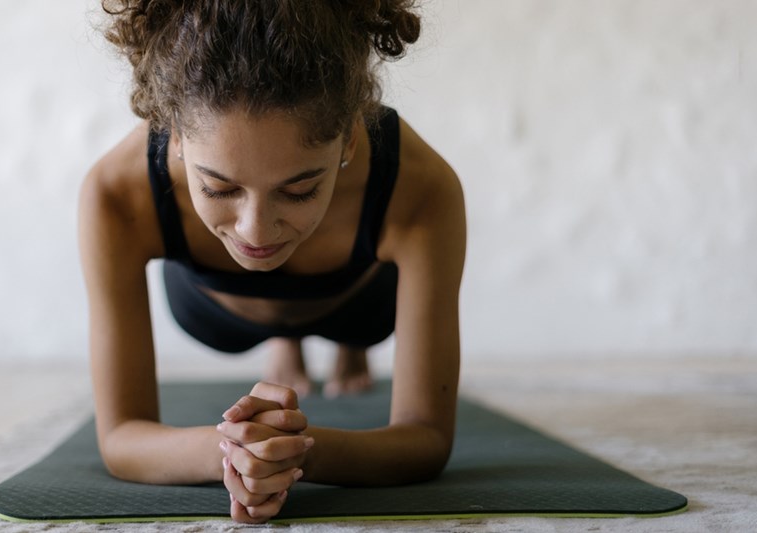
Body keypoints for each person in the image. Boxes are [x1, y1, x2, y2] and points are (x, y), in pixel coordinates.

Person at [78, 0, 466, 524]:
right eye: (218, 188)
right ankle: (287, 339)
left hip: (360, 303)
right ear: (173, 131)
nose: (254, 232)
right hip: (217, 311)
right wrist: (237, 451)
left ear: (349, 138)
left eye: (301, 189)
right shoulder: (116, 193)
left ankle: (345, 349)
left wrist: (291, 452)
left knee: (359, 329)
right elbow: (121, 438)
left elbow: (426, 439)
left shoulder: (421, 187)